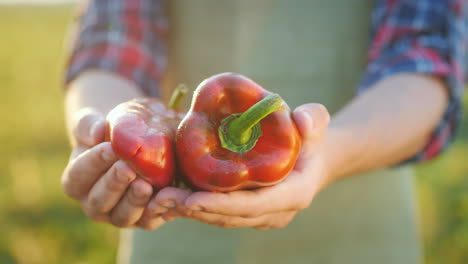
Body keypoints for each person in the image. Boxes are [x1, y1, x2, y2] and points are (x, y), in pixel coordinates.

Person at [61, 0, 466, 263]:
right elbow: (111, 45)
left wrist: (326, 157)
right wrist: (102, 130)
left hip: (362, 230)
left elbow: (422, 61)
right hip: (166, 212)